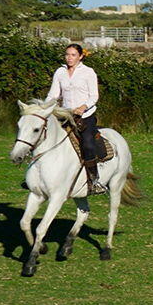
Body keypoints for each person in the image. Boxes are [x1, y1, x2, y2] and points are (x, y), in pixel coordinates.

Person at [46, 42, 106, 193]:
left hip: (85, 116)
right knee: (44, 137)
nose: (69, 58)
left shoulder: (88, 72)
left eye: (73, 55)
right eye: (67, 55)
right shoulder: (60, 72)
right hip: (65, 115)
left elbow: (94, 96)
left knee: (87, 144)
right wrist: (44, 108)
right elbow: (53, 95)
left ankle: (94, 181)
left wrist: (83, 107)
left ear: (80, 56)